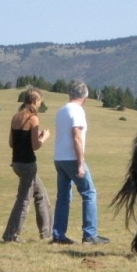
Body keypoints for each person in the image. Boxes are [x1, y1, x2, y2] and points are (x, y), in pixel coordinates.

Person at [51, 81, 109, 245]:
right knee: (89, 193)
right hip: (72, 157)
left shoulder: (62, 110)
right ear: (86, 97)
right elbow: (76, 137)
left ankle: (58, 234)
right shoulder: (77, 111)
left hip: (59, 158)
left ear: (70, 94)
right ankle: (90, 234)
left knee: (63, 197)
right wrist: (81, 163)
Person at [2, 88, 52, 242]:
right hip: (28, 164)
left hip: (17, 162)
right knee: (23, 200)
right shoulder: (33, 118)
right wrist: (44, 137)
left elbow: (11, 143)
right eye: (40, 101)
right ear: (35, 101)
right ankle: (11, 235)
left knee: (41, 195)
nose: (40, 104)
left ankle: (47, 233)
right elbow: (35, 145)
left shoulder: (15, 117)